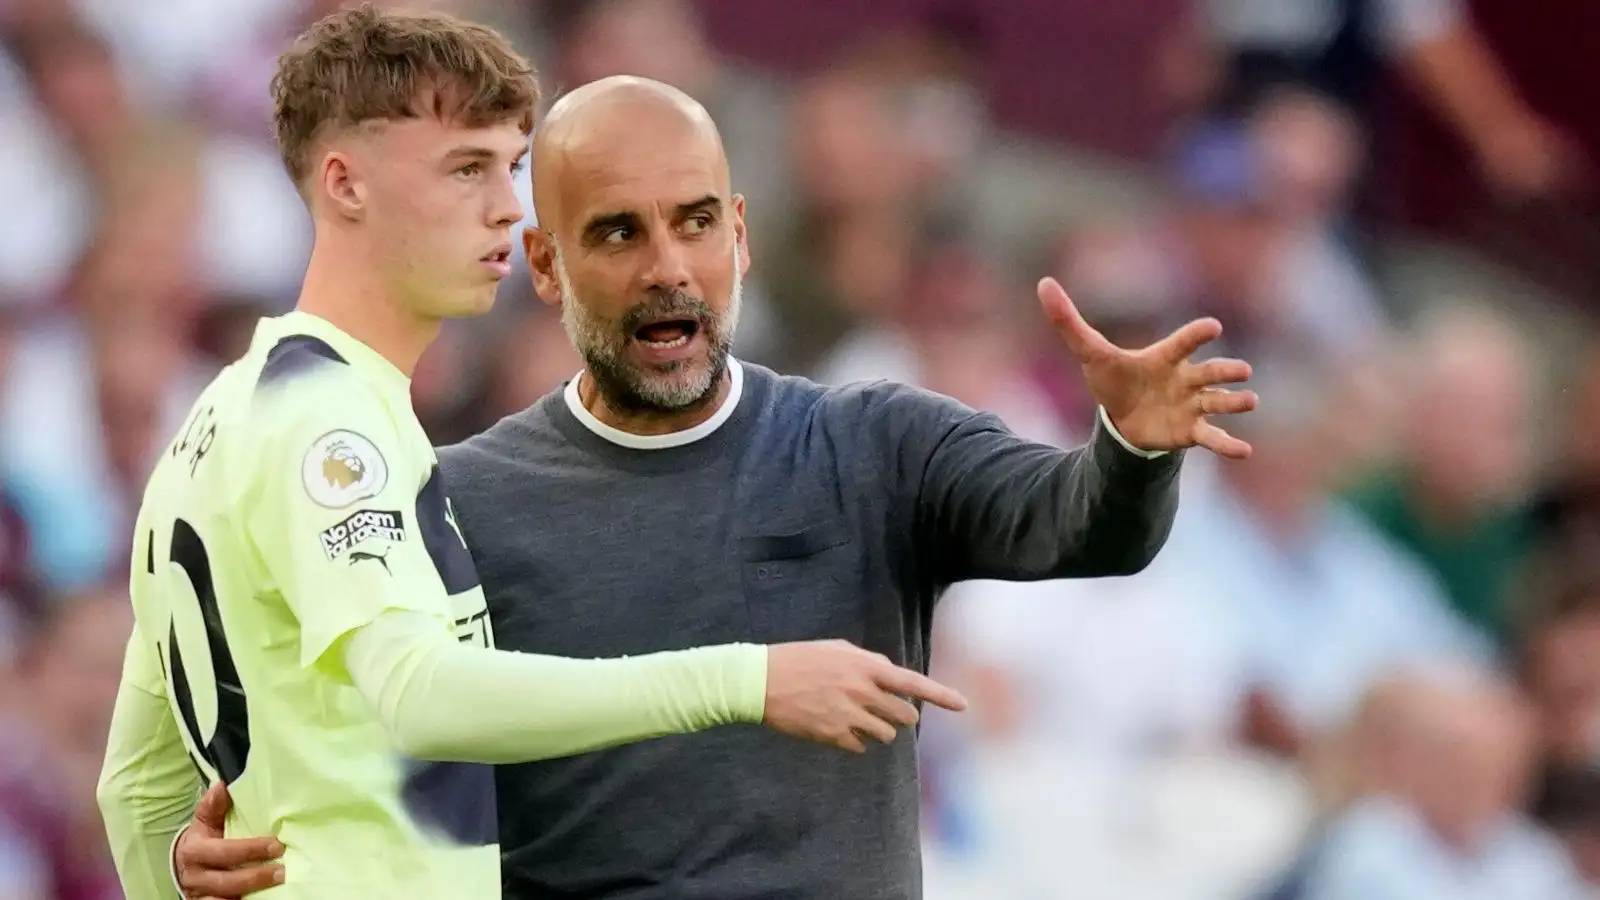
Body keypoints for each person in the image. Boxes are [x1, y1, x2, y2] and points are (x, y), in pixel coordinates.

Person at [172, 74, 1258, 900]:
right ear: (543, 266)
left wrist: (1132, 446)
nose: (667, 267)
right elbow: (331, 748)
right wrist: (203, 850)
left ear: (738, 233)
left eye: (694, 222)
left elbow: (1074, 526)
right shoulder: (449, 500)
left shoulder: (871, 442)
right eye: (617, 233)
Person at [93, 14, 965, 900]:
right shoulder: (331, 428)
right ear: (346, 184)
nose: (510, 209)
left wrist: (171, 874)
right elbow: (420, 695)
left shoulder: (222, 417)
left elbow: (137, 790)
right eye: (467, 168)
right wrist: (749, 677)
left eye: (511, 168)